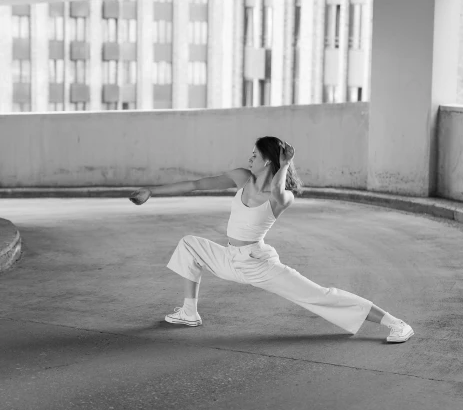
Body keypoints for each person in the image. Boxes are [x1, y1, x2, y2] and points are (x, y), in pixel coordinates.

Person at [129, 136, 414, 343]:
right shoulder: (242, 178)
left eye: (254, 155)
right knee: (190, 244)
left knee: (320, 296)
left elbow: (278, 192)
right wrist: (151, 191)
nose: (249, 159)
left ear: (267, 160)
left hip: (259, 265)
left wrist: (286, 165)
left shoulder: (281, 197)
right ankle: (189, 312)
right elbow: (196, 184)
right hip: (230, 258)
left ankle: (395, 323)